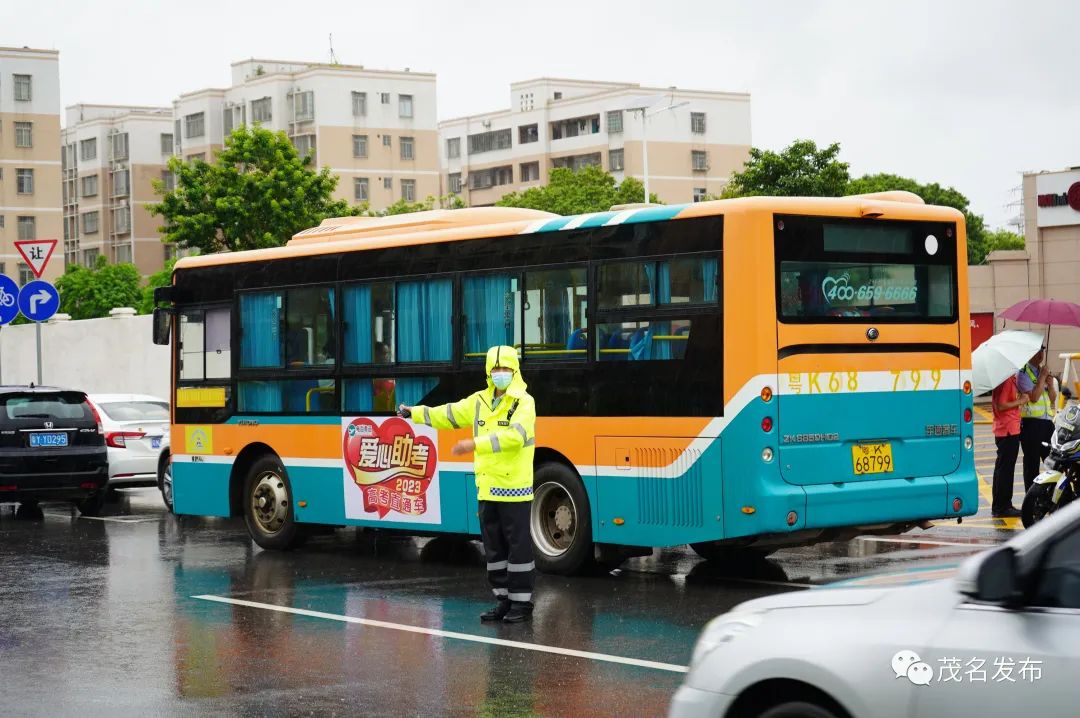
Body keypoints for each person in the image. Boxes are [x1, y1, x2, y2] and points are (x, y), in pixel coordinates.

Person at [398, 345, 537, 623]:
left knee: (518, 548)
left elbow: (515, 437)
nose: (500, 374)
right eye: (496, 369)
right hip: (487, 488)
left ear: (515, 371)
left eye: (506, 369)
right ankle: (503, 600)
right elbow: (447, 414)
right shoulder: (479, 401)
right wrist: (414, 413)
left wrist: (475, 444)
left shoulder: (524, 402)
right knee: (494, 549)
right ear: (488, 370)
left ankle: (522, 604)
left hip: (515, 490)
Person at [1017, 346, 1056, 492]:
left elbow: (1052, 399)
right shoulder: (1023, 374)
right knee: (1031, 464)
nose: (1041, 354)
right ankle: (1031, 500)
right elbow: (1033, 397)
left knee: (1052, 463)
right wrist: (1042, 378)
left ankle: (1051, 496)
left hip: (1047, 424)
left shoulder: (1044, 372)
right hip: (1031, 424)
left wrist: (1051, 386)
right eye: (1038, 351)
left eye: (1043, 351)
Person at [991, 374, 1027, 518]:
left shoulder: (1005, 379)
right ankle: (1003, 507)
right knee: (1005, 470)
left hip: (1006, 429)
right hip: (1008, 429)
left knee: (1002, 469)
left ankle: (1000, 505)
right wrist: (1021, 401)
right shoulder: (1005, 380)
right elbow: (1001, 405)